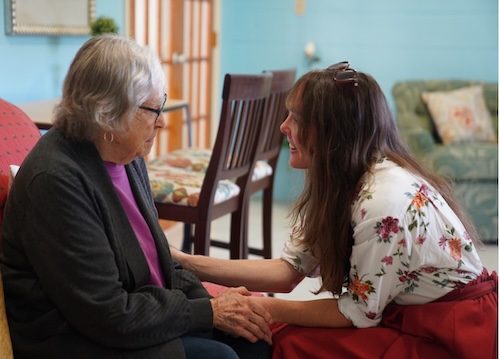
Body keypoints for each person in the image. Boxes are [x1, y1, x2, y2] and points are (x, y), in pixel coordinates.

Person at [172, 62, 498, 358]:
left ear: (332, 132)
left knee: (285, 343)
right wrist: (186, 262)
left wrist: (259, 307)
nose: (283, 127)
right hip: (400, 312)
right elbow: (288, 272)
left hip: (447, 331)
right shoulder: (343, 180)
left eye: (296, 119)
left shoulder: (382, 204)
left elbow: (356, 314)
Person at [0, 34, 273, 359]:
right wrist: (209, 313)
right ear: (107, 113)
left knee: (255, 342)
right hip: (78, 337)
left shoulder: (125, 155)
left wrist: (212, 304)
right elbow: (107, 313)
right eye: (152, 109)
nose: (162, 121)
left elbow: (157, 258)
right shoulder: (56, 181)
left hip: (138, 310)